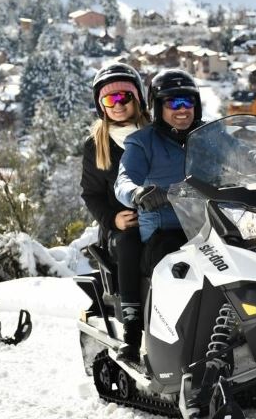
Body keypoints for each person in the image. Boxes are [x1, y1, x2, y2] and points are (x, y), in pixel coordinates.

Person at [114, 68, 205, 315]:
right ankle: (169, 330)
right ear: (158, 107)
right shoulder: (143, 142)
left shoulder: (209, 136)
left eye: (188, 101)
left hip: (212, 227)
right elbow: (122, 181)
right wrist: (138, 193)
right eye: (173, 103)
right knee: (174, 259)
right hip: (166, 230)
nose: (182, 109)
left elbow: (243, 155)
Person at [79, 63, 149, 359]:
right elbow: (92, 194)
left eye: (124, 97)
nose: (118, 105)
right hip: (124, 228)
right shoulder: (97, 145)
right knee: (130, 244)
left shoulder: (155, 135)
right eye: (110, 100)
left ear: (138, 100)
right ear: (101, 106)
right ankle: (133, 329)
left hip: (167, 219)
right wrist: (113, 220)